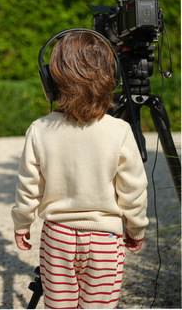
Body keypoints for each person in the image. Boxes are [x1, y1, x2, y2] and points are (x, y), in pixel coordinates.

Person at [11, 31, 148, 309]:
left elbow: (28, 188)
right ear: (112, 78)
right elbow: (133, 191)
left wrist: (22, 223)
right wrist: (136, 228)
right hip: (106, 241)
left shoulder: (40, 130)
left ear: (50, 80)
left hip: (57, 237)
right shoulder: (119, 131)